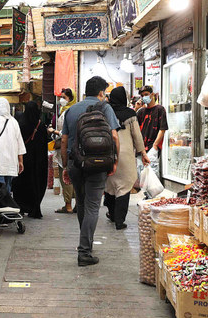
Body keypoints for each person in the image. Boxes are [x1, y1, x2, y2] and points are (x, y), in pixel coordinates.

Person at [61, 76, 120, 267]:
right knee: (93, 206)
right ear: (101, 92)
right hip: (99, 164)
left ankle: (85, 243)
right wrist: (114, 161)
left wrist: (65, 166)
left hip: (76, 163)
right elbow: (114, 136)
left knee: (82, 203)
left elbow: (63, 141)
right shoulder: (105, 107)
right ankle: (85, 250)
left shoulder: (71, 110)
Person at [104, 87, 150, 230]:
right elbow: (137, 136)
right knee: (123, 188)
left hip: (108, 153)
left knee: (110, 186)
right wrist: (143, 153)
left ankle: (111, 214)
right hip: (125, 156)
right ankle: (119, 220)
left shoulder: (105, 112)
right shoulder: (130, 114)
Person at [12, 101, 48, 219]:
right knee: (36, 183)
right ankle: (35, 208)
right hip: (38, 161)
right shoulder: (40, 125)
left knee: (21, 183)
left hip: (23, 159)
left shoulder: (20, 124)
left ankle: (21, 206)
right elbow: (44, 144)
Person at [49, 88, 77, 214]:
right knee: (73, 177)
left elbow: (65, 133)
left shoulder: (68, 113)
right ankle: (76, 205)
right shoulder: (65, 111)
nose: (61, 100)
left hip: (65, 149)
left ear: (70, 99)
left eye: (64, 97)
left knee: (66, 177)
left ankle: (68, 205)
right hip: (72, 149)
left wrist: (53, 132)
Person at [137, 86, 168, 178]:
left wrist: (155, 145)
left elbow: (162, 129)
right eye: (142, 95)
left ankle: (152, 192)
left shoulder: (160, 109)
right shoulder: (141, 112)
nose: (144, 97)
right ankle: (144, 191)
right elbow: (134, 126)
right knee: (140, 173)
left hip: (152, 147)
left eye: (146, 94)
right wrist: (136, 109)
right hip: (141, 147)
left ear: (152, 94)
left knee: (152, 174)